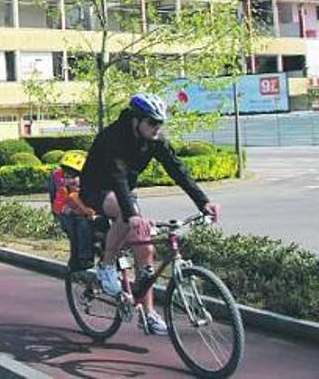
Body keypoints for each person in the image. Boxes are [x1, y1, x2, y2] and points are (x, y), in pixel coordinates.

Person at [79, 93, 221, 336]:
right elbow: (118, 176)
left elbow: (178, 170)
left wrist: (203, 202)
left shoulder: (156, 140)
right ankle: (106, 266)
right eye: (152, 123)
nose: (157, 128)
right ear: (136, 120)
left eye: (160, 123)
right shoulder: (113, 138)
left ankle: (148, 316)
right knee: (127, 216)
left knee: (146, 250)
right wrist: (132, 214)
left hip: (123, 193)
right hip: (97, 189)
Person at [49, 151, 99, 277]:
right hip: (67, 215)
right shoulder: (63, 189)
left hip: (83, 213)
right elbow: (59, 204)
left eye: (75, 176)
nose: (71, 180)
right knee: (79, 227)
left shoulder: (87, 185)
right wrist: (69, 211)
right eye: (67, 176)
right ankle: (82, 259)